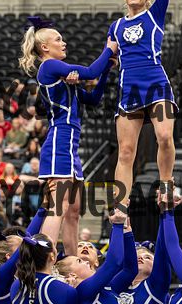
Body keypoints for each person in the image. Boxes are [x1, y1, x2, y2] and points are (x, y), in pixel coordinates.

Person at [19, 16, 118, 256]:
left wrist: (107, 70)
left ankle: (72, 263)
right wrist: (109, 49)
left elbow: (93, 99)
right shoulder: (49, 67)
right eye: (58, 39)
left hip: (70, 146)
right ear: (45, 47)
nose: (63, 43)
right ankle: (45, 261)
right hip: (59, 141)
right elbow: (90, 71)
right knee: (59, 206)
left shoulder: (62, 76)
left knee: (73, 212)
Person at [109, 0, 182, 209]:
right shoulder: (116, 26)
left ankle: (166, 185)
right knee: (126, 152)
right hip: (129, 89)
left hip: (156, 83)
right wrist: (82, 77)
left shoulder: (155, 15)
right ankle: (120, 207)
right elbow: (106, 59)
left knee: (164, 136)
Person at [54, 209, 127, 304]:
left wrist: (126, 231)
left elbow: (130, 270)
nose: (86, 262)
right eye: (79, 261)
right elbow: (113, 263)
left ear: (97, 261)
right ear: (72, 275)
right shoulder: (83, 290)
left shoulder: (104, 284)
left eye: (90, 247)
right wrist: (117, 224)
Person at [0, 207, 46, 304]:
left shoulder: (20, 277)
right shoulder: (0, 278)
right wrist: (42, 210)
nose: (27, 251)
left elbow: (29, 238)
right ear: (9, 256)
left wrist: (44, 208)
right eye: (20, 249)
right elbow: (27, 240)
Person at [118, 216, 170, 303]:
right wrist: (120, 228)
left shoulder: (156, 288)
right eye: (136, 256)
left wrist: (165, 214)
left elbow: (163, 248)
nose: (140, 258)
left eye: (147, 257)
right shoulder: (117, 286)